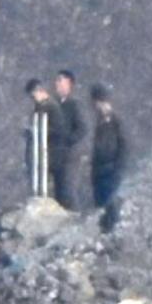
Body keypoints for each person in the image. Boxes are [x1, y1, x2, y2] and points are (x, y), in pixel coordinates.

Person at [90, 84, 127, 232]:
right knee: (101, 207)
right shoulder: (99, 123)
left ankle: (112, 234)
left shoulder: (117, 122)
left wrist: (118, 169)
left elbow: (124, 147)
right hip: (99, 172)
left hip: (111, 171)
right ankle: (104, 233)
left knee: (110, 206)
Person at [24, 78, 69, 200]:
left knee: (54, 188)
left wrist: (39, 131)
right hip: (42, 153)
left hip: (52, 154)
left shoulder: (52, 107)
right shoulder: (39, 107)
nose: (33, 100)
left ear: (40, 91)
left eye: (33, 96)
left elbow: (58, 129)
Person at [54, 69, 88, 210]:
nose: (56, 84)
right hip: (58, 154)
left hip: (71, 154)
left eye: (60, 80)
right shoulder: (56, 104)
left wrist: (68, 141)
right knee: (59, 189)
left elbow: (82, 128)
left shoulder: (74, 104)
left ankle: (74, 219)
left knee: (68, 188)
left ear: (69, 83)